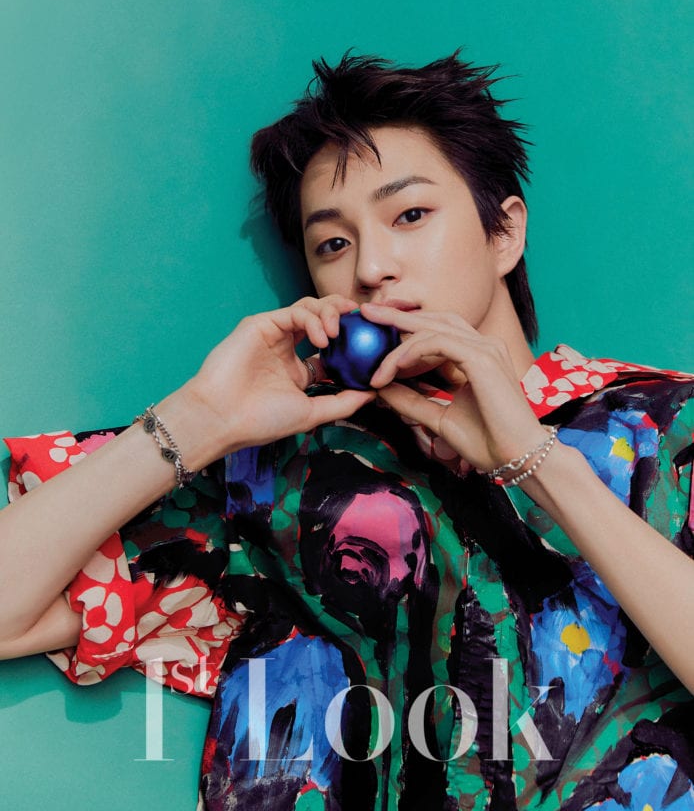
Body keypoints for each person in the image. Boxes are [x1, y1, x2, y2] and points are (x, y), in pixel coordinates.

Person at [1, 52, 693, 811]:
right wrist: (198, 421)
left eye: (410, 216)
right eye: (332, 243)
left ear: (504, 232)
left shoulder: (666, 423)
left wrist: (536, 460)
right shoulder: (288, 475)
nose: (371, 268)